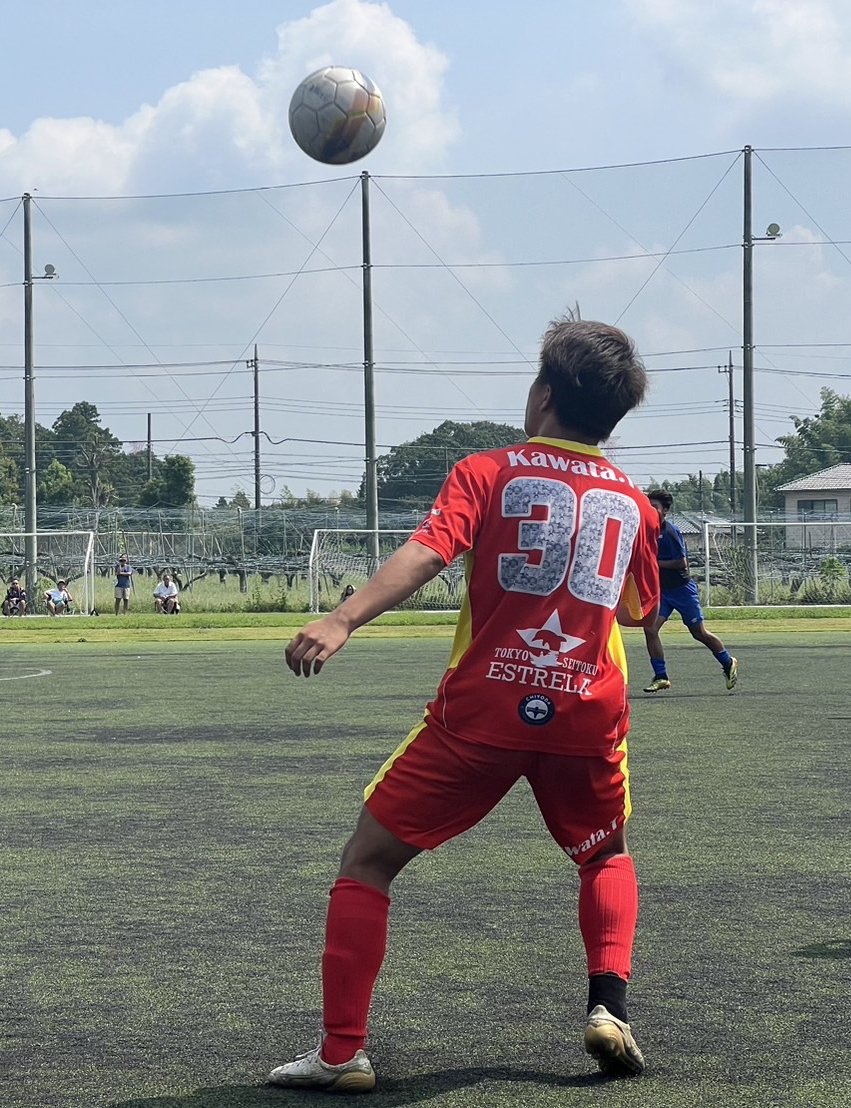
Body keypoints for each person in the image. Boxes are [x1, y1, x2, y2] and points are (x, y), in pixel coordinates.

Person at [267, 313, 662, 1092]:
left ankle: (341, 1053)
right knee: (603, 855)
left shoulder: (487, 471)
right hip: (587, 711)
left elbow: (427, 552)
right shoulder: (634, 503)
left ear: (542, 394)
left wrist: (341, 618)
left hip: (484, 709)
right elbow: (636, 611)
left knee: (368, 861)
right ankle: (607, 1009)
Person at [639, 490, 738, 692]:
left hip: (682, 590)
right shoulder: (646, 531)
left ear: (665, 510)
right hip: (662, 592)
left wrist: (654, 563)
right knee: (650, 629)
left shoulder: (670, 532)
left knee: (698, 633)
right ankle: (661, 676)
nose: (650, 510)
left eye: (654, 507)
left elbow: (681, 563)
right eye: (648, 506)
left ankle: (728, 662)